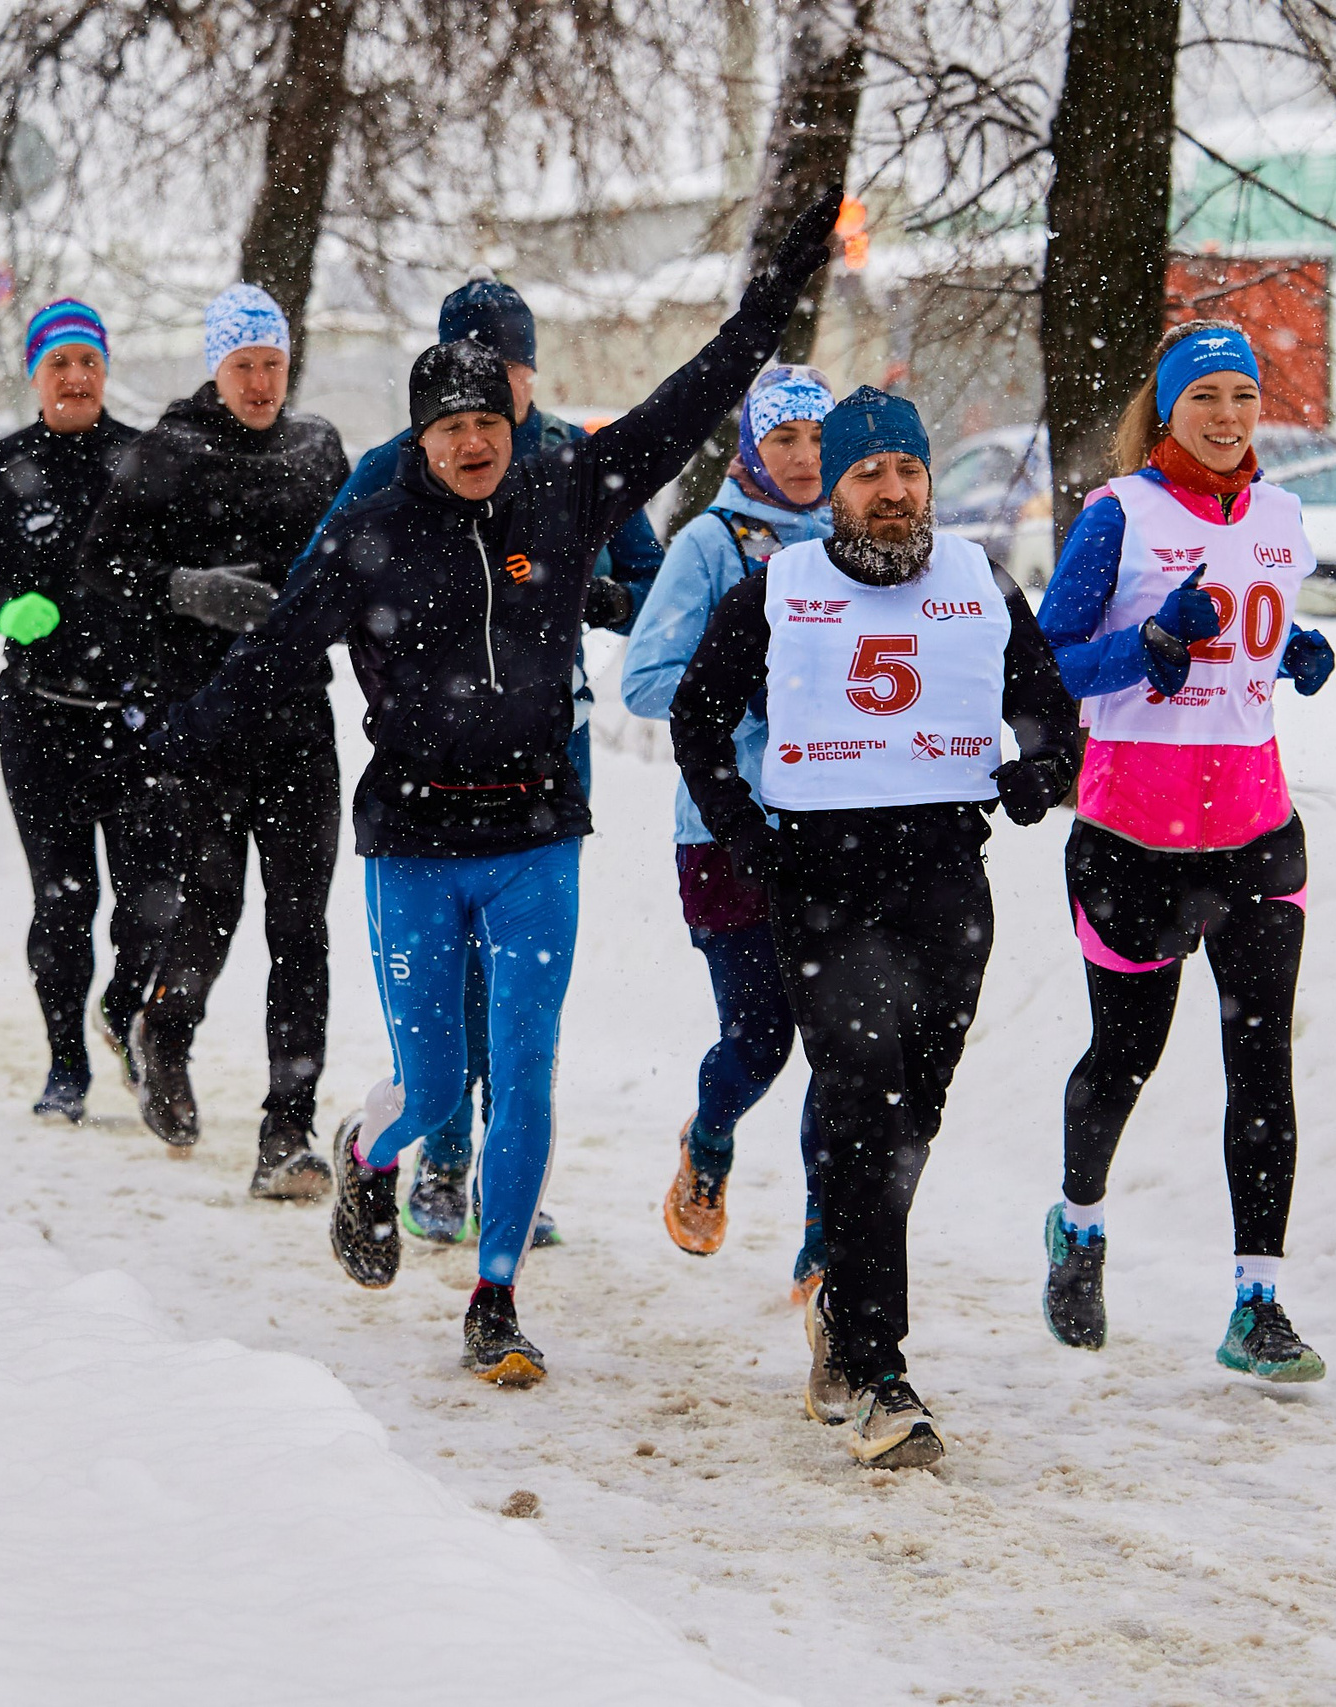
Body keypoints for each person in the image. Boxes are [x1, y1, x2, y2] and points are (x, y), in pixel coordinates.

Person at [156, 187, 844, 1387]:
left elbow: (692, 398)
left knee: (521, 1071)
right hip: (415, 845)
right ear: (420, 439)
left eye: (490, 418)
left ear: (512, 419)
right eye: (449, 428)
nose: (474, 442)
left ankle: (496, 1296)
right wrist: (178, 745)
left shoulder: (567, 489)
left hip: (534, 835)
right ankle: (372, 1159)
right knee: (432, 1086)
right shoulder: (369, 528)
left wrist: (772, 299)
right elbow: (270, 663)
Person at [669, 386, 1079, 1469]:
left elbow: (1047, 707)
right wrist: (743, 835)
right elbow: (695, 715)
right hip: (821, 883)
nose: (892, 493)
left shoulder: (981, 585)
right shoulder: (778, 589)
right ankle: (880, 1366)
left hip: (944, 880)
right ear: (836, 494)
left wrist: (1039, 771)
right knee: (862, 1093)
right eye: (867, 475)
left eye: (907, 471)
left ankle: (843, 1316)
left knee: (910, 1121)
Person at [294, 280, 667, 1247]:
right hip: (429, 761)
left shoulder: (568, 459)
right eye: (469, 374)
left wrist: (601, 598)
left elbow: (648, 572)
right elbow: (320, 580)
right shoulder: (394, 465)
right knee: (449, 986)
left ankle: (511, 1171)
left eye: (505, 371)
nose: (486, 402)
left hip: (547, 742)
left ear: (529, 374)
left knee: (522, 992)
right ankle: (441, 1162)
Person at [1033, 319, 1336, 1386]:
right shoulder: (1118, 516)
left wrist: (1290, 651)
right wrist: (1144, 647)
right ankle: (1077, 1224)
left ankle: (1258, 1299)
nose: (1225, 419)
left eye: (1243, 398)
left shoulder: (1286, 520)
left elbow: (1258, 639)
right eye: (1203, 398)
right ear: (1167, 411)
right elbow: (1052, 663)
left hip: (1257, 834)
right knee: (1126, 1059)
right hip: (1130, 842)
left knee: (1263, 1068)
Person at [76, 284, 350, 1198]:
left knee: (301, 926)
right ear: (216, 368)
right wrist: (187, 587)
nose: (263, 383)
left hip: (298, 719)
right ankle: (166, 1030)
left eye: (274, 365)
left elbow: (356, 554)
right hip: (203, 720)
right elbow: (101, 566)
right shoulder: (169, 451)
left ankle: (288, 1131)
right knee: (213, 906)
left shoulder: (318, 450)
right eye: (245, 367)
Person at [0, 299, 175, 1126]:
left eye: (87, 361)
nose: (75, 377)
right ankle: (66, 1064)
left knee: (146, 901)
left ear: (105, 368)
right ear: (36, 374)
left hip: (133, 722)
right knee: (64, 903)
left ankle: (122, 1009)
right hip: (40, 721)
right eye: (58, 362)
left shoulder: (143, 459)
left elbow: (182, 583)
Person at [620, 364, 834, 1292]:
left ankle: (829, 1244)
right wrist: (748, 700)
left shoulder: (856, 537)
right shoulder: (711, 543)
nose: (803, 457)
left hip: (838, 826)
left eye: (819, 438)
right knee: (761, 1038)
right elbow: (644, 679)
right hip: (726, 829)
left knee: (843, 1043)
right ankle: (708, 1138)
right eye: (783, 438)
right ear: (752, 444)